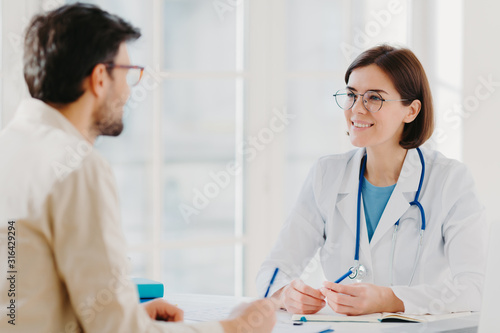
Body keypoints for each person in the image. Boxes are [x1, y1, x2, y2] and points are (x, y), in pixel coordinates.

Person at [0, 4, 276, 333]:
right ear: (100, 78)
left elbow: (22, 300)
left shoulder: (10, 145)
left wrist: (126, 308)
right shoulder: (76, 166)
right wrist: (236, 327)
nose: (129, 90)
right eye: (128, 73)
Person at [256, 45, 488, 316]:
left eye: (374, 98)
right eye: (352, 95)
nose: (357, 109)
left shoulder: (450, 181)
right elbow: (273, 270)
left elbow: (476, 288)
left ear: (411, 111)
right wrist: (286, 294)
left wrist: (392, 300)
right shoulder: (327, 174)